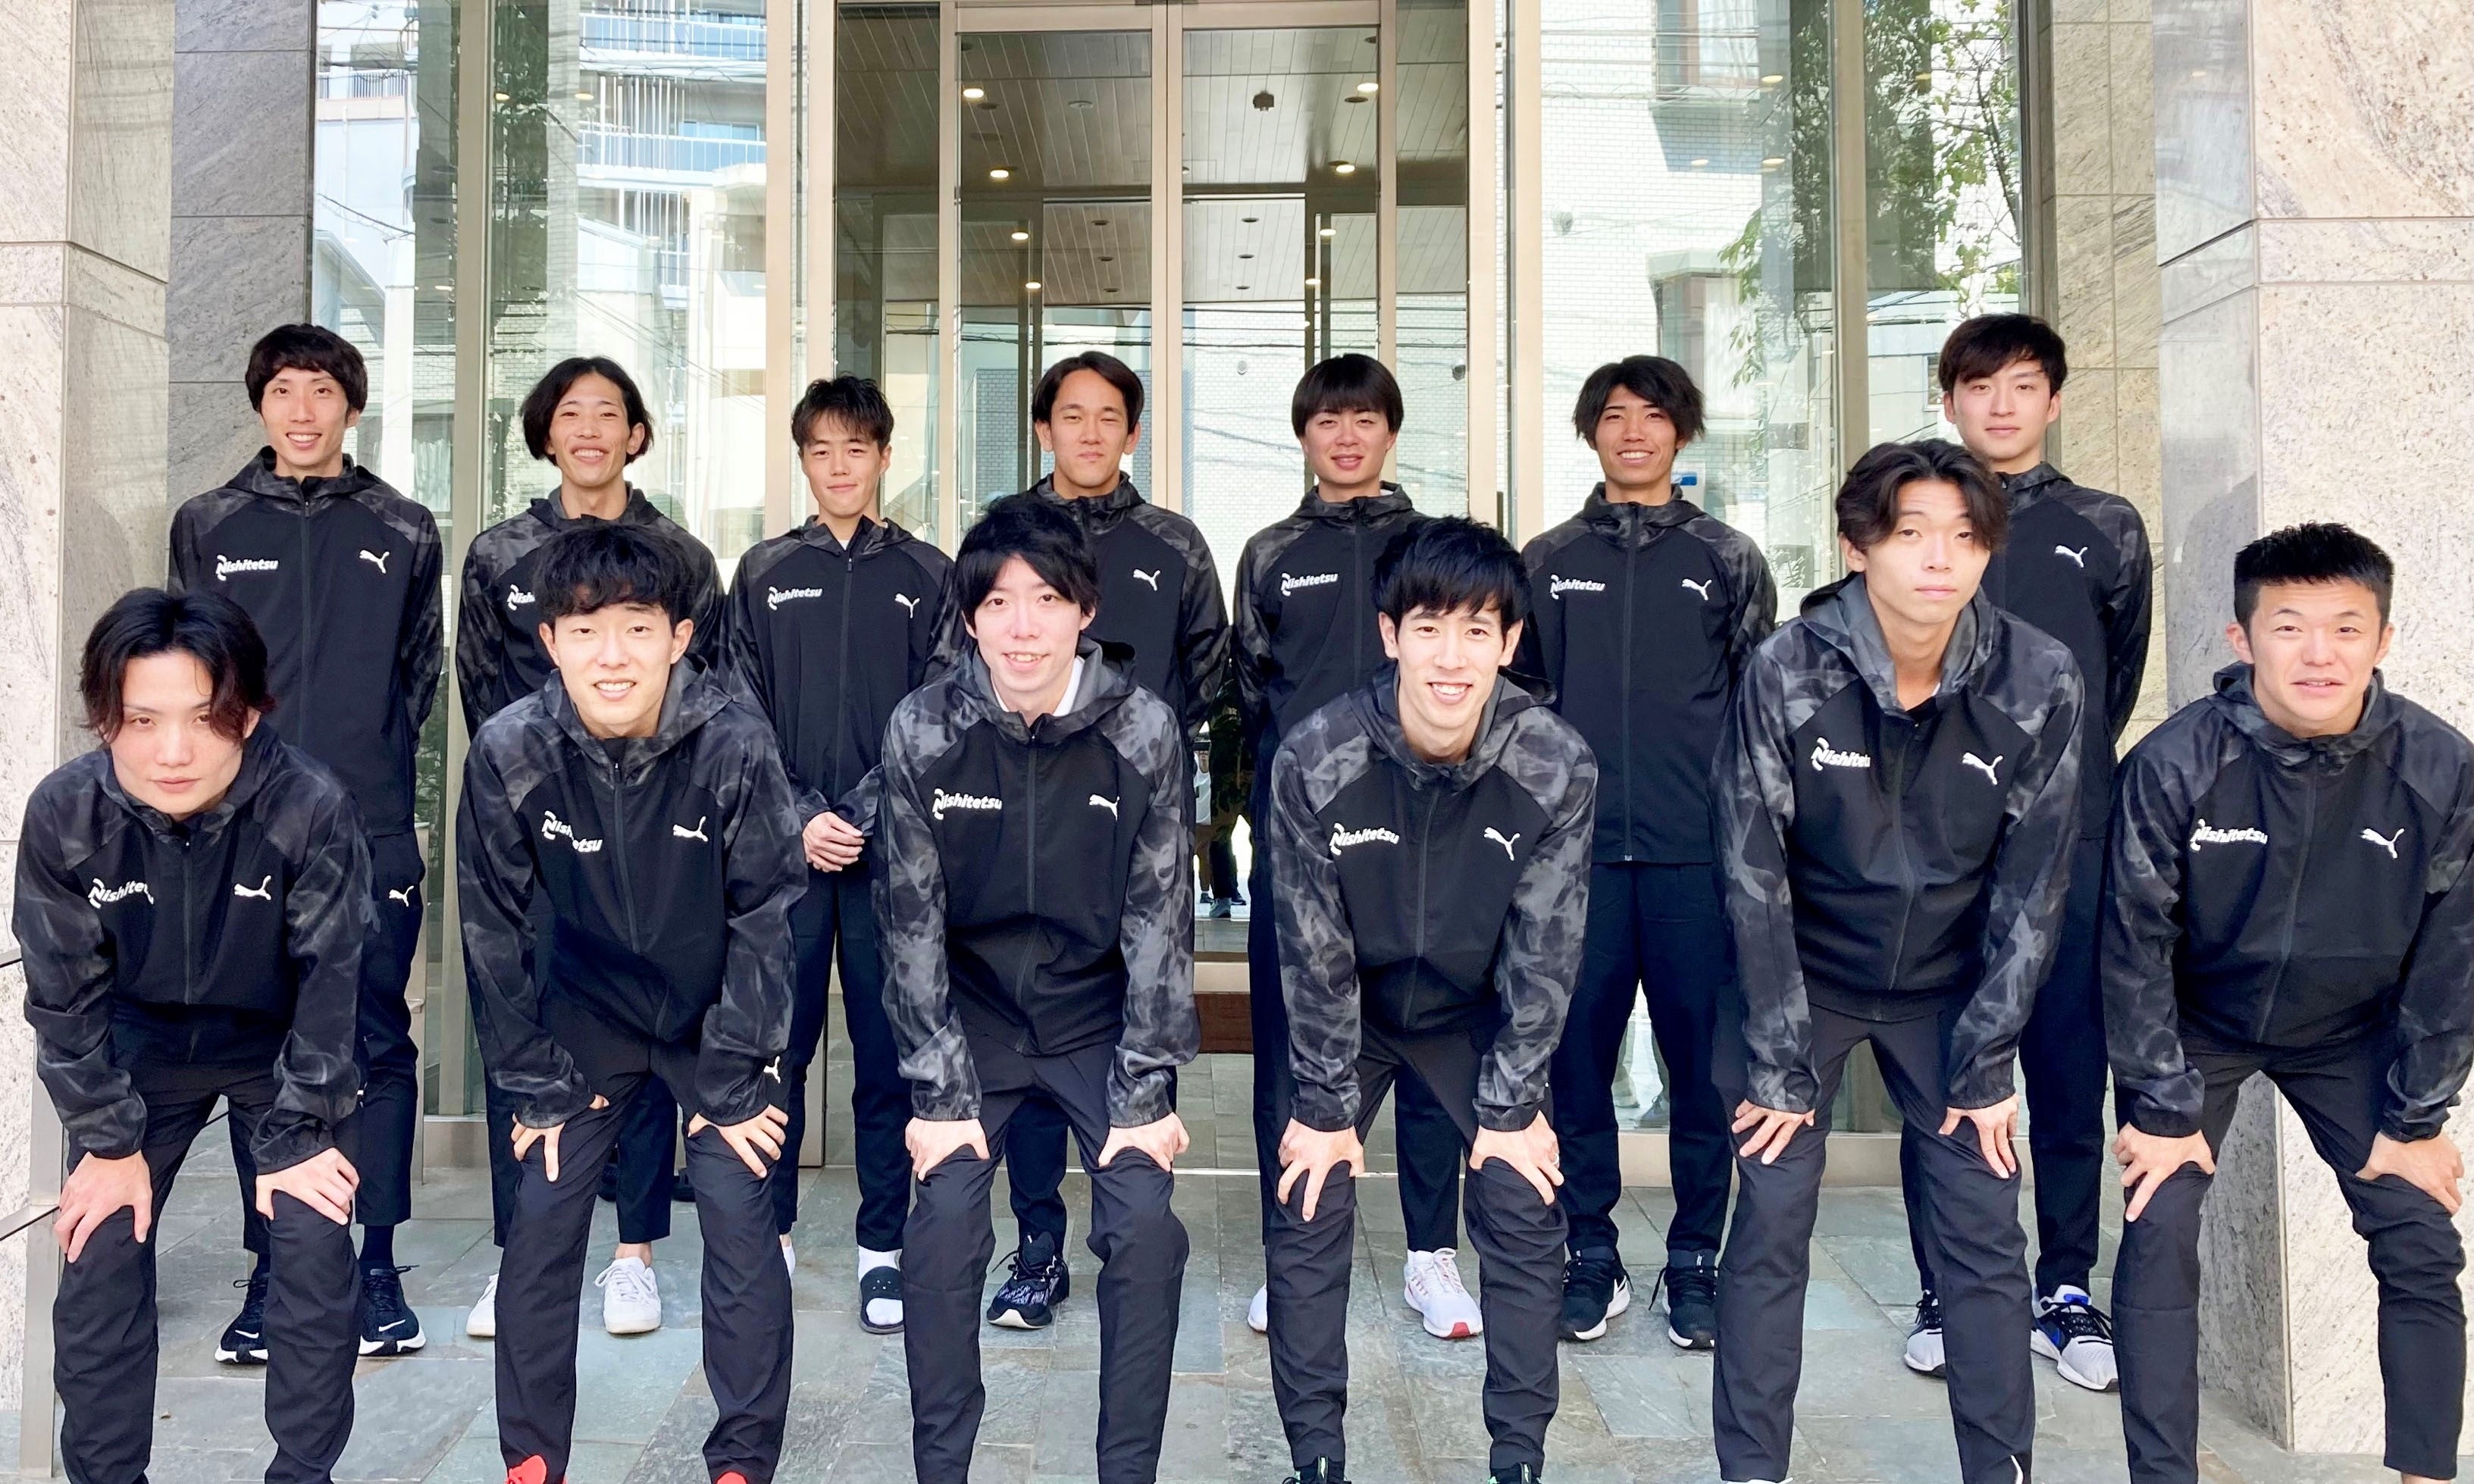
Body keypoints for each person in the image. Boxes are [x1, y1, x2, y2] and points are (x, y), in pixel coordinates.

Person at [1711, 440, 2083, 1484]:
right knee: (1771, 1220)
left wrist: (1988, 1061)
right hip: (1805, 982)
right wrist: (1779, 1059)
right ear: (1857, 545)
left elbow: (2034, 882)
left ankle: (2000, 1468)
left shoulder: (2038, 676)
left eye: (1964, 536)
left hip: (1950, 991)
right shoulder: (1789, 667)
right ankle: (1751, 1471)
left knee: (1983, 1231)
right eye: (1911, 532)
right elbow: (1751, 866)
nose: (1938, 558)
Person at [2107, 523, 2471, 1484]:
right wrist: (2163, 1109)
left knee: (2419, 1234)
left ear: (2383, 639)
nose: (2319, 653)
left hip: (2352, 1030)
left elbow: (2456, 956)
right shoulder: (2176, 762)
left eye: (2346, 628)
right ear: (2244, 638)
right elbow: (2134, 941)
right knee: (2159, 1224)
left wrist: (2416, 1115)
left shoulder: (2440, 768)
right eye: (2289, 626)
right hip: (2198, 1025)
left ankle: (2426, 1475)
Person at [459, 521, 803, 1484]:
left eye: (637, 629)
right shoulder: (512, 748)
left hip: (714, 1016)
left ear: (679, 637)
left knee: (739, 1203)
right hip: (589, 1013)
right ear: (550, 641)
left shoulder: (733, 742)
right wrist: (535, 1083)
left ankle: (742, 1462)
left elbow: (769, 911)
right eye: (585, 631)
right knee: (542, 1212)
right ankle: (532, 1459)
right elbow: (490, 925)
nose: (612, 656)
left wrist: (731, 1080)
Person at [1264, 518, 1596, 1484]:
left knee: (1525, 1201)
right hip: (1354, 1009)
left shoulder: (1555, 762)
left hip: (1473, 1013)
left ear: (1510, 641)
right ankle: (1316, 1456)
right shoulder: (1317, 756)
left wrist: (1511, 1107)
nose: (1452, 657)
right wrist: (1325, 1109)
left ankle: (1519, 1458)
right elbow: (1313, 952)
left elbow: (1545, 948)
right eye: (1429, 628)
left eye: (1477, 630)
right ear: (1390, 634)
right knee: (1309, 1193)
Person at [874, 494, 1197, 1484]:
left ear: (1085, 610)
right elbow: (910, 921)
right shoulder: (924, 727)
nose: (1023, 626)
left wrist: (1144, 1096)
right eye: (999, 602)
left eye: (1047, 599)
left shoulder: (1143, 729)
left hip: (1095, 1016)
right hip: (971, 1021)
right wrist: (940, 1096)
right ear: (970, 617)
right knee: (941, 1229)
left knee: (1145, 1228)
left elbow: (1160, 921)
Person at [17, 588, 368, 1484]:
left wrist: (299, 1134)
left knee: (313, 1240)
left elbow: (333, 982)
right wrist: (108, 1142)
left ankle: (303, 1474)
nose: (172, 750)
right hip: (137, 1048)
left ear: (248, 713)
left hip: (279, 1046)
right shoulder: (66, 812)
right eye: (142, 719)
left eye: (205, 717)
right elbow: (62, 997)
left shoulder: (309, 805)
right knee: (98, 1250)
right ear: (105, 718)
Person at [166, 324, 440, 1363]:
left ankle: (376, 1266)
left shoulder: (402, 526)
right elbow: (190, 676)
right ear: (260, 402)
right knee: (264, 1050)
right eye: (284, 388)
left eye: (322, 389)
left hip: (370, 827)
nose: (302, 409)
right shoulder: (210, 522)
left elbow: (417, 677)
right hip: (241, 832)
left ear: (351, 407)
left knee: (376, 1040)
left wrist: (366, 777)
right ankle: (275, 1266)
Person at [1899, 312, 2152, 1390]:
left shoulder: (2104, 526)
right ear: (1948, 398)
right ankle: (1947, 1286)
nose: (2000, 404)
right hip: (1936, 847)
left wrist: (2063, 783)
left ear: (2053, 398)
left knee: (2065, 1064)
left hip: (2070, 842)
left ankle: (2065, 1286)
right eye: (1978, 385)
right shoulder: (1919, 523)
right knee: (1940, 1068)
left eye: (2022, 384)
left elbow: (2114, 678)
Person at [454, 355, 728, 1341]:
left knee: (643, 1023)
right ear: (546, 432)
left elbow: (709, 689)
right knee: (520, 1021)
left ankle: (634, 1253)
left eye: (608, 412)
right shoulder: (499, 554)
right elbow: (479, 685)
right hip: (538, 826)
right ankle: (519, 1252)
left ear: (636, 434)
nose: (589, 428)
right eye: (570, 412)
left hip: (653, 832)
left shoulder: (679, 553)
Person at [1517, 355, 1775, 1348]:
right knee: (1576, 1063)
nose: (1634, 431)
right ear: (1591, 431)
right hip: (1574, 863)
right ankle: (1589, 1248)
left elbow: (1759, 709)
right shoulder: (1548, 559)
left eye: (1654, 414)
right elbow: (1521, 706)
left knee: (1704, 1070)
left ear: (1682, 431)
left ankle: (1696, 1257)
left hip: (1694, 860)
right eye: (1615, 414)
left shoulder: (1728, 557)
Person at [1230, 352, 1478, 1341]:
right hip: (1302, 844)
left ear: (1390, 431)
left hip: (1427, 838)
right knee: (1293, 1052)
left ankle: (1431, 1255)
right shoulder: (1270, 552)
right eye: (1328, 420)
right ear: (1304, 434)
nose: (1346, 436)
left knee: (1426, 1046)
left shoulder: (1434, 547)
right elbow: (1249, 691)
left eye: (1365, 418)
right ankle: (1292, 1250)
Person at [988, 349, 1228, 1330]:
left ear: (1132, 432)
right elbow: (964, 657)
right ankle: (1037, 1246)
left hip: (1137, 827)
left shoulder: (1172, 542)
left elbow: (1210, 668)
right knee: (1030, 1021)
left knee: (1141, 1015)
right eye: (1071, 414)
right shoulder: (1006, 532)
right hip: (1021, 818)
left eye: (1107, 417)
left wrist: (1144, 753)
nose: (1089, 432)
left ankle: (1130, 1225)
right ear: (1043, 428)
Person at [724, 374, 954, 1329]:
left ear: (885, 456)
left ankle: (882, 1247)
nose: (840, 465)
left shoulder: (929, 573)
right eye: (821, 450)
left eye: (857, 448)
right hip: (787, 857)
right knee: (776, 1047)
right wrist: (802, 814)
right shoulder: (765, 570)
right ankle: (768, 1235)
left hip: (890, 857)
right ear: (803, 460)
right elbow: (738, 708)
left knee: (887, 1055)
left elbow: (941, 709)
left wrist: (857, 812)